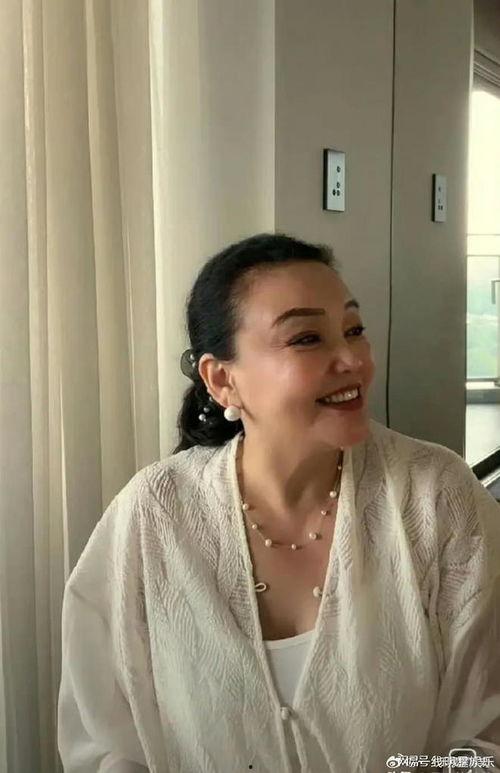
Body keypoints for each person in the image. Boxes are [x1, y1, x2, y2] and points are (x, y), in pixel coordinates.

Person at [57, 233, 500, 772]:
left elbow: (485, 740)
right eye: (307, 338)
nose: (352, 359)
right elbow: (104, 742)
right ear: (222, 380)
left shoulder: (437, 498)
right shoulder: (153, 514)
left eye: (354, 330)